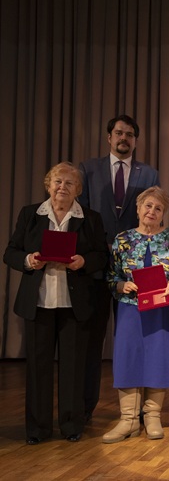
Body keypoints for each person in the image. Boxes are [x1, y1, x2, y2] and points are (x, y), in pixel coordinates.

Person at [3, 162, 107, 445]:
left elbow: (101, 256)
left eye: (69, 183)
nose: (62, 187)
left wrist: (83, 262)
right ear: (48, 185)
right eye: (57, 182)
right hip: (38, 303)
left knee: (73, 367)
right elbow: (10, 252)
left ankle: (71, 425)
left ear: (78, 190)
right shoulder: (30, 214)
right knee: (38, 368)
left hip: (75, 304)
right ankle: (38, 429)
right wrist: (28, 260)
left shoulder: (91, 218)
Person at [78, 114, 160, 422]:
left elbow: (153, 220)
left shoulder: (148, 173)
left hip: (135, 274)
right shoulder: (88, 170)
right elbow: (82, 218)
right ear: (109, 137)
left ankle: (138, 411)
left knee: (138, 340)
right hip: (96, 270)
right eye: (119, 133)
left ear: (135, 141)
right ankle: (86, 408)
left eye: (129, 134)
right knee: (92, 342)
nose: (123, 138)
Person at [103, 187, 169, 443]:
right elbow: (111, 276)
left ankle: (152, 416)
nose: (152, 211)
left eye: (158, 208)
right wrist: (121, 285)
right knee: (128, 358)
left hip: (165, 308)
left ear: (164, 214)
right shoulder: (123, 239)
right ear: (138, 208)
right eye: (148, 206)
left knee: (158, 358)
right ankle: (128, 420)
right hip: (131, 308)